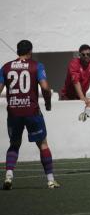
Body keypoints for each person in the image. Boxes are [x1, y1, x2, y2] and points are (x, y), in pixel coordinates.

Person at [0, 40, 60, 190]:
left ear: (17, 51)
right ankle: (50, 180)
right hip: (31, 110)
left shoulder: (6, 67)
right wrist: (47, 103)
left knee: (14, 144)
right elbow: (45, 88)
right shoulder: (36, 66)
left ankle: (8, 175)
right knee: (43, 144)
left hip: (14, 111)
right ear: (30, 51)